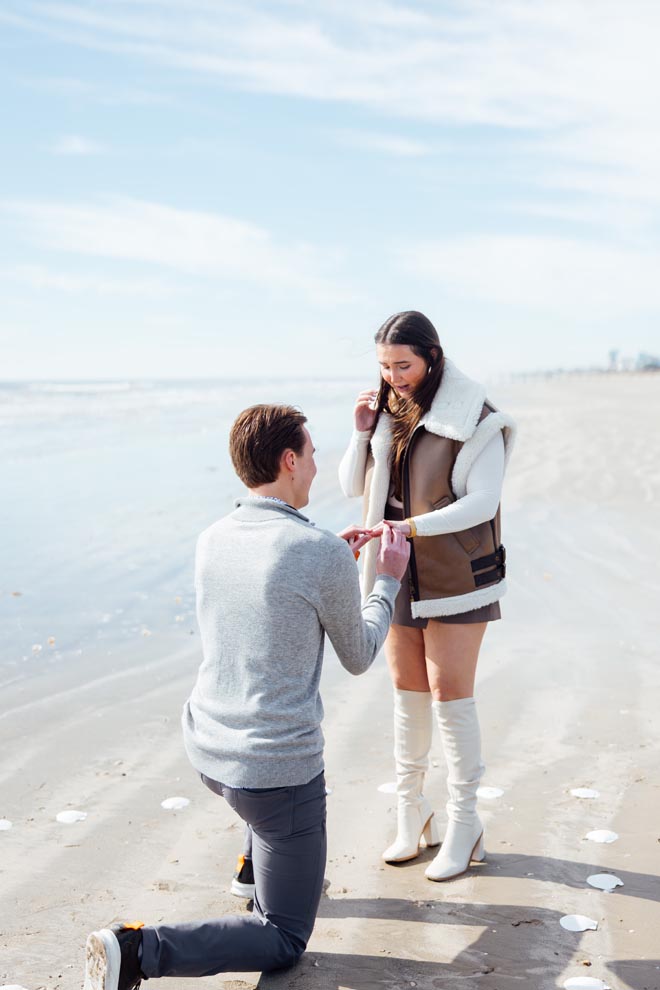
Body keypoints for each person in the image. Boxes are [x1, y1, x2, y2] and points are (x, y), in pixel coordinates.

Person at [83, 403, 409, 989]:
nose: (315, 468)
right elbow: (359, 655)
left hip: (208, 746)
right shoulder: (317, 553)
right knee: (284, 938)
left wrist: (331, 561)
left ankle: (250, 869)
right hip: (274, 775)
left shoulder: (216, 537)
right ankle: (135, 951)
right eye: (311, 456)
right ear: (289, 460)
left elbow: (268, 598)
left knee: (260, 794)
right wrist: (386, 577)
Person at [339, 311, 515, 883]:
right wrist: (363, 429)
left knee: (449, 694)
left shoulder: (479, 418)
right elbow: (350, 485)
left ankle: (465, 825)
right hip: (396, 569)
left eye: (404, 365)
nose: (394, 377)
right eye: (385, 367)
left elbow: (482, 502)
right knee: (406, 690)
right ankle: (411, 815)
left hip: (456, 572)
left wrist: (409, 528)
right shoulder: (388, 414)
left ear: (432, 356)